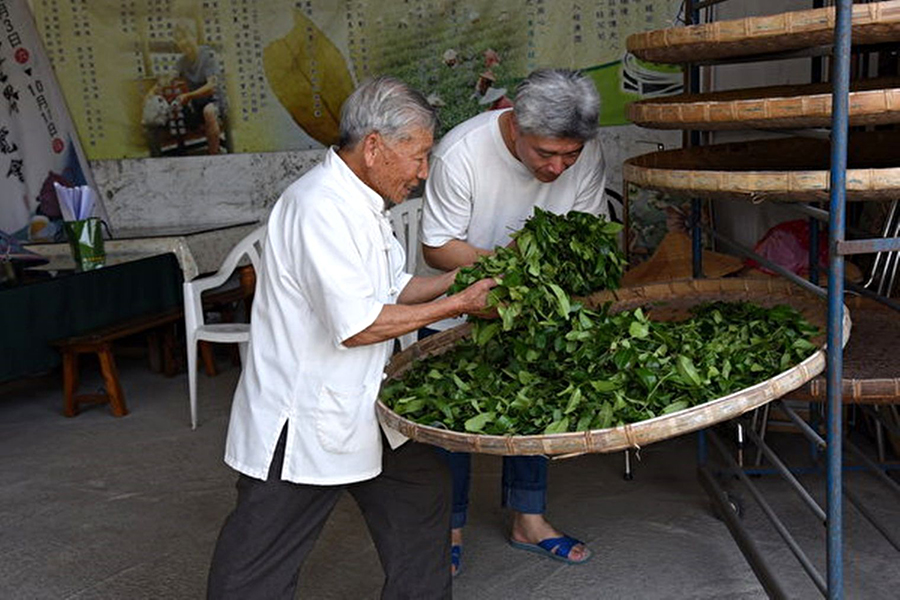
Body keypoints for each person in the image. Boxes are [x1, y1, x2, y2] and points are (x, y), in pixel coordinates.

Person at [206, 75, 497, 599]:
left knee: (422, 488)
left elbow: (393, 288)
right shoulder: (318, 206)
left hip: (365, 405)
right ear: (374, 147)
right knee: (258, 561)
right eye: (419, 156)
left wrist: (459, 280)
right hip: (306, 418)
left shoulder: (360, 202)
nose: (423, 173)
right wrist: (458, 306)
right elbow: (360, 325)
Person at [420, 68, 608, 573]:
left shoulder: (583, 153)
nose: (557, 168)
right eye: (545, 154)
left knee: (534, 407)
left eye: (569, 156)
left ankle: (529, 519)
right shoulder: (463, 153)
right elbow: (438, 247)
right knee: (452, 419)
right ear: (515, 128)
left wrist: (543, 286)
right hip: (459, 305)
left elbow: (585, 232)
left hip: (537, 306)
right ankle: (450, 528)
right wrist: (507, 271)